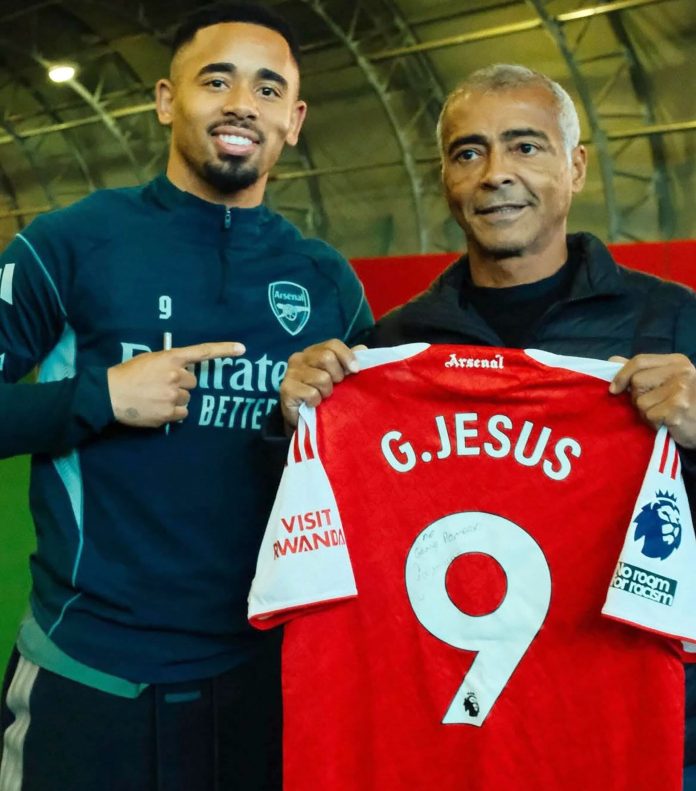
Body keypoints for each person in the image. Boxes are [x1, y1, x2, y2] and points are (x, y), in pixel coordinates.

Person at [278, 64, 696, 780]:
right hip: (444, 739)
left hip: (616, 728)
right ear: (446, 178)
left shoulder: (675, 321)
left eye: (525, 146)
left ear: (576, 166)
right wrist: (297, 421)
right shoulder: (390, 347)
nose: (495, 172)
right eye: (468, 152)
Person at [0, 4, 371, 790]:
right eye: (216, 81)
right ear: (167, 100)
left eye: (268, 89)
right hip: (92, 680)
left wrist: (299, 424)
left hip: (263, 686)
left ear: (295, 120)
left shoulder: (326, 281)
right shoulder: (70, 243)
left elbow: (378, 476)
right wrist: (99, 396)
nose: (242, 104)